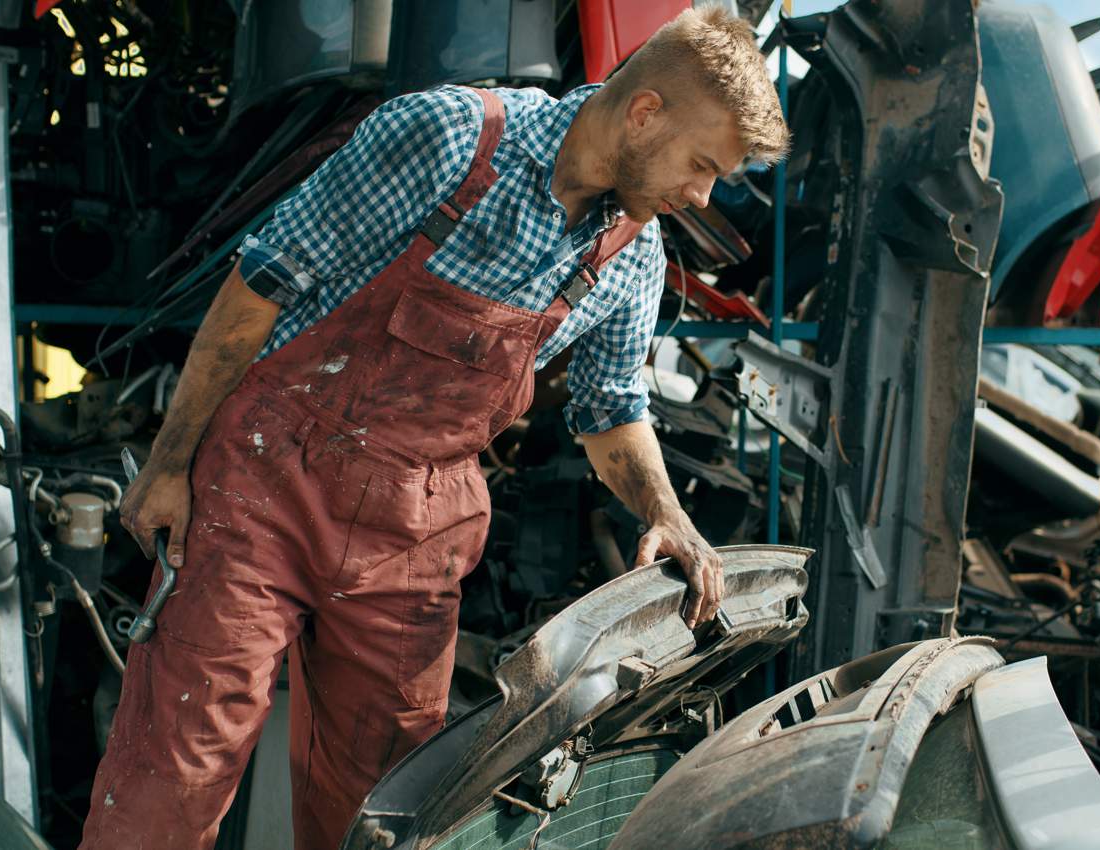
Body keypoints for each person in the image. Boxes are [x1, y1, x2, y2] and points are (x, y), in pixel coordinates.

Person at [79, 7, 791, 849]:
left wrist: (665, 513)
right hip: (265, 485)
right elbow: (258, 287)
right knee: (178, 766)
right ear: (645, 113)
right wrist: (170, 463)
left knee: (386, 801)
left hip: (416, 531)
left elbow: (611, 409)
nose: (701, 195)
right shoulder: (451, 138)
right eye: (702, 164)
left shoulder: (632, 256)